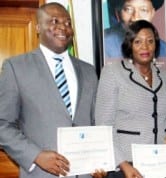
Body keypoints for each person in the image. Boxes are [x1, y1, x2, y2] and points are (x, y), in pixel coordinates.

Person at [0, 2, 98, 178]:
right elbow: (3, 125)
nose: (63, 28)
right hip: (41, 173)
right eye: (54, 21)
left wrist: (100, 160)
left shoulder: (89, 71)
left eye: (68, 23)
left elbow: (95, 122)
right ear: (38, 27)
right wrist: (35, 155)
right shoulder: (16, 68)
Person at [95, 20, 166, 178]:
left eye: (150, 41)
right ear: (129, 45)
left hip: (160, 163)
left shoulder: (164, 76)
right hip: (126, 166)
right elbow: (103, 126)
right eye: (138, 41)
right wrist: (123, 164)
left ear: (156, 45)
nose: (145, 47)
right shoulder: (112, 73)